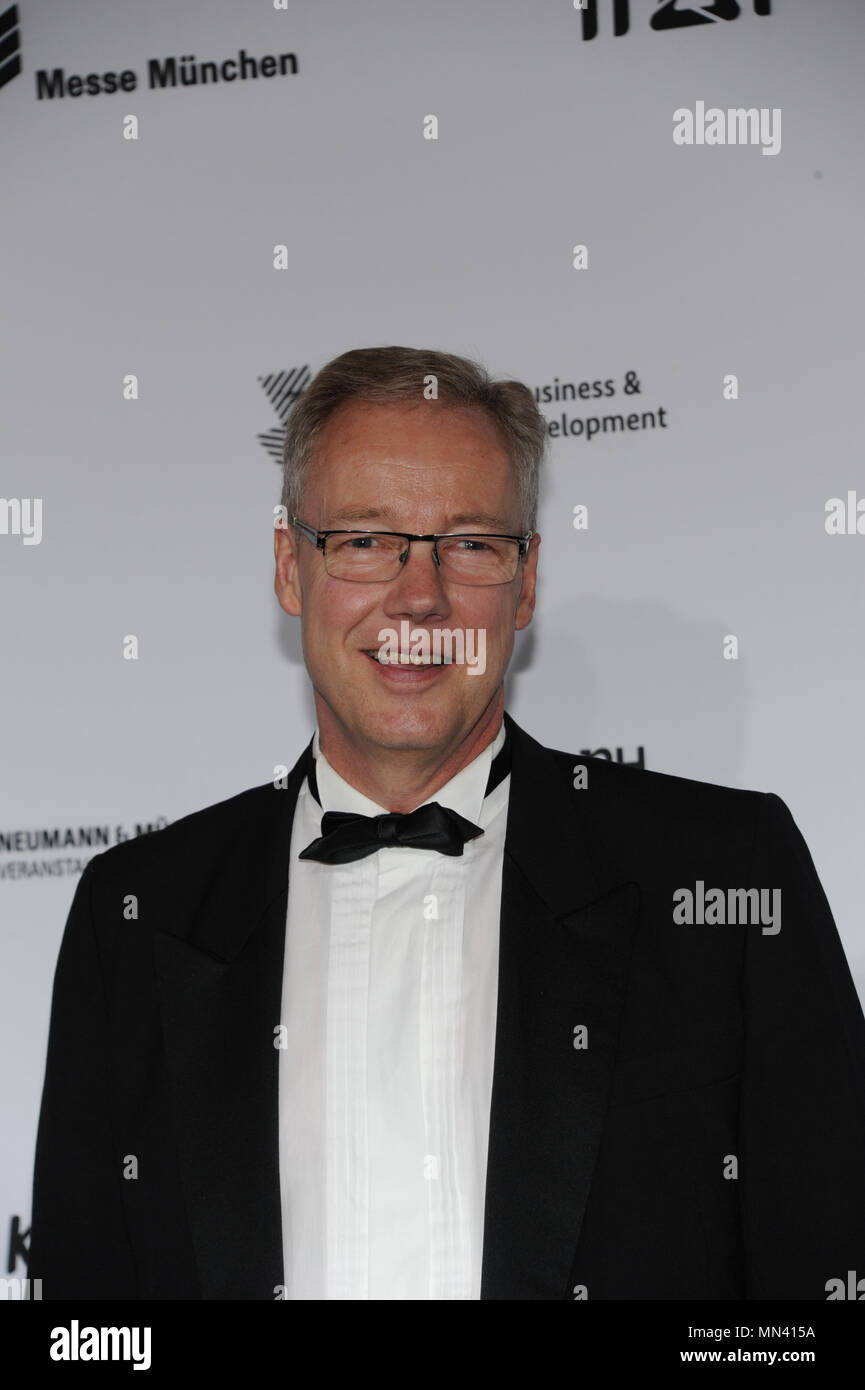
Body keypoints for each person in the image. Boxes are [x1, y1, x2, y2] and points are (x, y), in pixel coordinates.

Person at [29, 346, 865, 1300]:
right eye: (364, 539)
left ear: (527, 580)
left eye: (468, 543)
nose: (418, 596)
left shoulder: (720, 874)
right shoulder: (137, 912)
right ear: (288, 568)